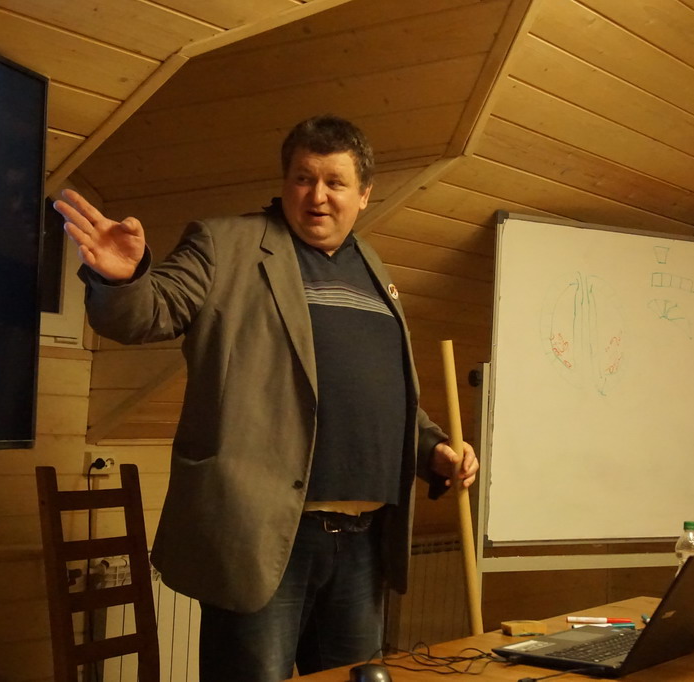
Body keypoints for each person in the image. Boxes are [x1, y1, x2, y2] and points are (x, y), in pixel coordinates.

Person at [54, 115, 479, 681]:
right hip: (262, 537)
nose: (318, 196)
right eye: (304, 178)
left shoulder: (374, 268)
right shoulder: (224, 244)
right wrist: (121, 281)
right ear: (286, 182)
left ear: (364, 195)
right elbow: (149, 314)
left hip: (363, 545)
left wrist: (432, 448)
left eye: (335, 182)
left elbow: (384, 392)